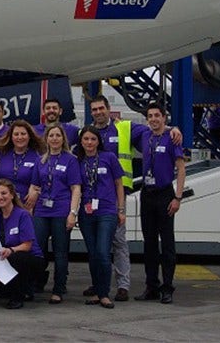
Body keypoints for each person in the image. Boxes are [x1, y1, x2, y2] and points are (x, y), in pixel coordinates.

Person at [88, 94, 182, 301]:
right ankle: (99, 283)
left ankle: (124, 286)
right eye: (94, 110)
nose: (98, 112)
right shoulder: (87, 132)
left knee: (119, 241)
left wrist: (173, 128)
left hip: (118, 195)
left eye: (101, 108)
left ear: (108, 109)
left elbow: (155, 128)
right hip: (94, 195)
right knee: (97, 243)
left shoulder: (124, 128)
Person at [134, 103, 186, 304]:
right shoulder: (145, 136)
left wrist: (177, 197)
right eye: (150, 116)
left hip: (165, 194)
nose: (153, 119)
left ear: (164, 118)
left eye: (157, 115)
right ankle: (151, 286)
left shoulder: (172, 138)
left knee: (167, 243)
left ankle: (167, 287)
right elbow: (122, 126)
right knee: (149, 244)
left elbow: (181, 169)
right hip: (147, 194)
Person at [27, 124, 81, 303]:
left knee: (60, 252)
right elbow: (34, 186)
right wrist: (29, 209)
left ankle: (59, 287)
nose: (55, 139)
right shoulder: (41, 160)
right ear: (46, 139)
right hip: (41, 211)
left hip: (61, 211)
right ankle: (35, 283)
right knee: (38, 249)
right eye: (51, 136)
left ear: (63, 138)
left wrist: (72, 213)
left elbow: (75, 188)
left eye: (58, 135)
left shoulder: (70, 160)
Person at [74, 126, 125, 309]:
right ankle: (97, 290)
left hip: (107, 211)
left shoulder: (108, 157)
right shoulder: (77, 161)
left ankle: (104, 294)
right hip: (87, 212)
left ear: (98, 141)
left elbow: (119, 184)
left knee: (103, 252)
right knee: (93, 253)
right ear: (81, 141)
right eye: (86, 139)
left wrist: (121, 209)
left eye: (93, 139)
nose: (89, 142)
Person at [0, 179, 44, 310]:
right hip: (5, 257)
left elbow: (27, 245)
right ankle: (16, 290)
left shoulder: (23, 215)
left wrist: (10, 250)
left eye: (4, 193)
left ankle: (17, 296)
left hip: (28, 258)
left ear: (12, 195)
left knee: (15, 259)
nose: (0, 197)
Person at [0, 120, 44, 204]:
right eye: (16, 134)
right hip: (4, 204)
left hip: (27, 205)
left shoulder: (37, 157)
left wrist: (37, 192)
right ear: (11, 137)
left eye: (23, 134)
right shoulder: (2, 155)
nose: (19, 137)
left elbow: (42, 182)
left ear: (29, 136)